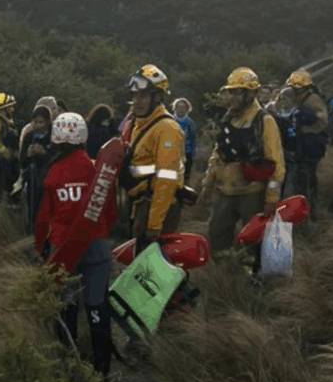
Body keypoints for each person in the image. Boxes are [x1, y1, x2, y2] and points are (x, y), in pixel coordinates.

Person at [35, 113, 117, 381]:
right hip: (97, 246)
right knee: (96, 306)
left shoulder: (52, 173)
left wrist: (40, 249)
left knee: (67, 306)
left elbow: (44, 218)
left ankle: (68, 369)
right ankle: (102, 371)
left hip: (63, 251)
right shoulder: (97, 169)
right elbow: (112, 211)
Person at [199, 67, 286, 263]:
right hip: (225, 192)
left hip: (252, 193)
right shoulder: (228, 118)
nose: (232, 97)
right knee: (217, 235)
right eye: (231, 92)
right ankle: (226, 274)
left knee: (253, 241)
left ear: (250, 94)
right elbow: (218, 154)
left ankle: (252, 281)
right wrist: (207, 183)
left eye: (238, 92)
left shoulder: (264, 120)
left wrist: (272, 197)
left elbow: (276, 162)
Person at [119, 64, 186, 255]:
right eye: (134, 95)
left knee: (151, 267)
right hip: (141, 202)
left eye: (143, 96)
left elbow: (166, 179)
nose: (136, 101)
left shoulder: (167, 128)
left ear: (157, 97)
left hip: (157, 206)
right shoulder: (138, 123)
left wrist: (155, 224)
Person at [276, 70, 329, 222]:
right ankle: (301, 211)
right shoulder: (293, 99)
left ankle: (309, 214)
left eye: (298, 88)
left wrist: (304, 130)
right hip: (298, 146)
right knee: (298, 178)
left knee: (306, 179)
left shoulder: (312, 100)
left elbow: (322, 121)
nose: (295, 91)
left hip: (311, 146)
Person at [18, 105, 55, 234]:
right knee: (33, 209)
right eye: (35, 122)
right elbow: (22, 162)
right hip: (32, 180)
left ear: (47, 122)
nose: (38, 125)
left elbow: (57, 159)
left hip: (49, 180)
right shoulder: (29, 137)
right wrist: (28, 154)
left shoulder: (54, 136)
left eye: (41, 122)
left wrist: (44, 153)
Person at [171, 97, 198, 182]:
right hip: (172, 152)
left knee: (186, 177)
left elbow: (194, 138)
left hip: (187, 153)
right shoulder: (170, 121)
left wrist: (193, 152)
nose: (181, 109)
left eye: (183, 107)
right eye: (179, 107)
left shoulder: (190, 122)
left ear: (187, 109)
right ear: (175, 108)